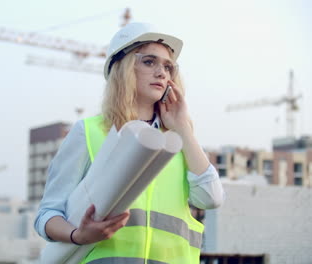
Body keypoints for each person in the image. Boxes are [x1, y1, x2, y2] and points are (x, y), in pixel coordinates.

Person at [34, 22, 225, 264]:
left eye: (168, 67)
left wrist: (183, 129)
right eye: (149, 62)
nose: (161, 73)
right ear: (123, 69)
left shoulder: (177, 140)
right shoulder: (89, 132)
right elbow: (47, 214)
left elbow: (211, 198)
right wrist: (78, 235)